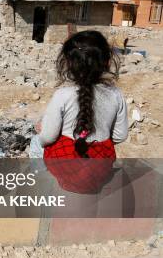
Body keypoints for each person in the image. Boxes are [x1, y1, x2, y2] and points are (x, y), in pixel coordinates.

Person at [30, 30, 128, 193]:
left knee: (35, 141)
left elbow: (48, 137)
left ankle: (43, 182)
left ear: (68, 63)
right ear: (108, 61)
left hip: (66, 164)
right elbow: (120, 135)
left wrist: (46, 132)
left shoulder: (62, 95)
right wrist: (96, 137)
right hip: (100, 165)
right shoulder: (116, 95)